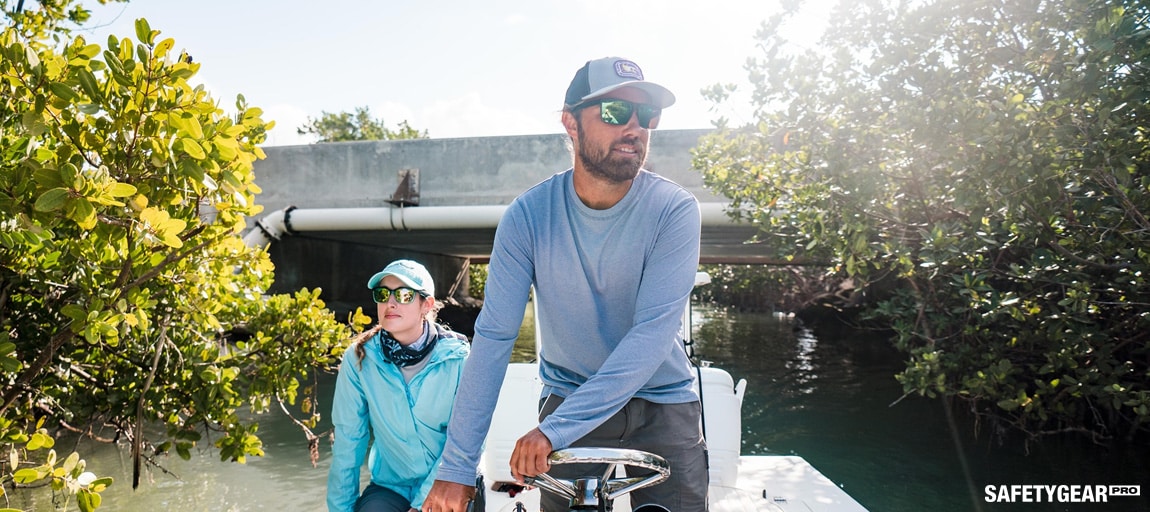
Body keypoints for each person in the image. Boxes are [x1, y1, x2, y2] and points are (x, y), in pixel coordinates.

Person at [423, 57, 706, 511]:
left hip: (663, 402)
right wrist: (456, 468)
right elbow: (494, 340)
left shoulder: (674, 209)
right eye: (615, 112)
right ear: (570, 123)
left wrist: (551, 432)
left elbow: (652, 334)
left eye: (646, 115)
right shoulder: (527, 217)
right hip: (570, 395)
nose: (635, 127)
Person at [327, 259, 471, 512]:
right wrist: (341, 509)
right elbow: (349, 438)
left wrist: (422, 503)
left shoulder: (459, 358)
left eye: (404, 294)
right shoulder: (359, 357)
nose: (390, 303)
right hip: (390, 486)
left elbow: (465, 439)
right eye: (383, 294)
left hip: (448, 480)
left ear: (425, 305)